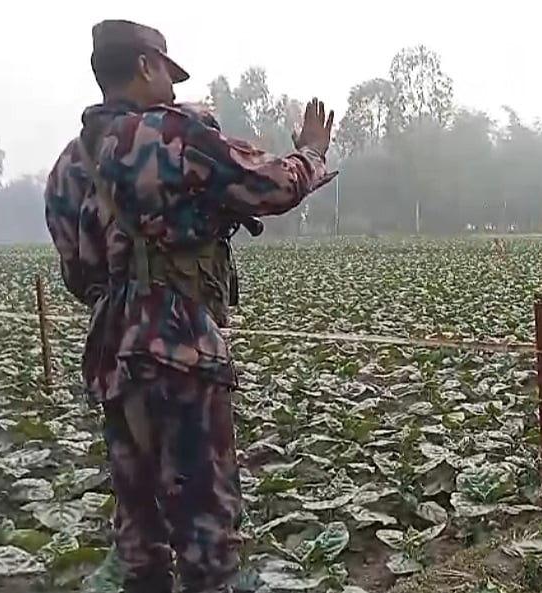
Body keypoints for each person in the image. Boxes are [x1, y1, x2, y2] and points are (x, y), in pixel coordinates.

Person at [42, 20, 335, 593]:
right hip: (180, 346)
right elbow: (269, 187)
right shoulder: (173, 133)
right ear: (147, 66)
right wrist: (310, 154)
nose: (174, 90)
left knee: (138, 535)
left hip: (112, 356)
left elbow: (78, 276)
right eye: (167, 75)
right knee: (205, 532)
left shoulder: (67, 166)